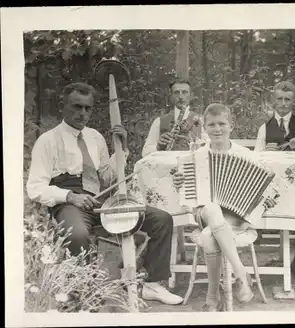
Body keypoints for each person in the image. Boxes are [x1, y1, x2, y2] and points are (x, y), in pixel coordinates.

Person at [26, 82, 183, 305]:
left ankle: (152, 285)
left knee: (161, 219)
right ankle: (85, 289)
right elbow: (35, 187)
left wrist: (123, 147)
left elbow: (108, 177)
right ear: (64, 106)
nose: (82, 113)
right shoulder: (48, 140)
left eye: (87, 108)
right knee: (78, 233)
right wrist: (70, 196)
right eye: (76, 107)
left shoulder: (95, 137)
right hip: (69, 204)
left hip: (100, 201)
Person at [172, 103, 277, 312]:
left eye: (222, 124)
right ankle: (241, 274)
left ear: (231, 126)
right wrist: (180, 183)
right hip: (203, 213)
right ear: (204, 127)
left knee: (210, 237)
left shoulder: (245, 155)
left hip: (236, 217)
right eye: (211, 124)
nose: (217, 129)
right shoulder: (196, 156)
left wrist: (267, 198)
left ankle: (213, 298)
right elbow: (186, 194)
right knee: (211, 208)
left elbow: (267, 186)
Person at [254, 81, 295, 284]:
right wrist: (266, 153)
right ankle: (255, 251)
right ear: (273, 101)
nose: (283, 103)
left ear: (293, 102)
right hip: (271, 185)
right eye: (279, 99)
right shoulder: (264, 128)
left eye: (287, 99)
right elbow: (255, 160)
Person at [142, 79, 209, 157]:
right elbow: (145, 152)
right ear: (171, 96)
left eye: (184, 92)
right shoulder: (159, 121)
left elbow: (210, 149)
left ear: (191, 96)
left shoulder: (201, 121)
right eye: (176, 93)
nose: (180, 97)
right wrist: (158, 147)